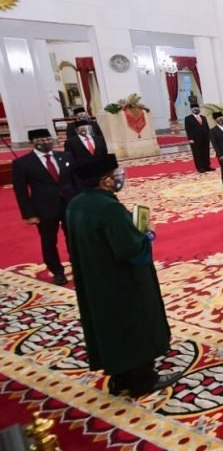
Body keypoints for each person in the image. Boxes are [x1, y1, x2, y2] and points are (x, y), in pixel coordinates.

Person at [65, 154, 182, 397]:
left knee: (111, 327)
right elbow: (130, 250)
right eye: (116, 175)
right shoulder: (110, 208)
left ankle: (120, 379)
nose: (120, 179)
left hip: (95, 278)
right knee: (134, 324)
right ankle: (143, 380)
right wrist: (148, 234)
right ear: (105, 180)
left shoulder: (76, 203)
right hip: (122, 281)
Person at [12, 128, 76, 285]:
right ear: (31, 143)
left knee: (74, 237)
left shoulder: (65, 156)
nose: (45, 142)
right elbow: (21, 191)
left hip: (69, 204)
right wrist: (28, 214)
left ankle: (77, 264)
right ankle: (57, 271)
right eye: (40, 140)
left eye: (48, 139)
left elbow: (76, 180)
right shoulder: (22, 163)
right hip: (44, 208)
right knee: (49, 241)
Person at [184, 104, 214, 173]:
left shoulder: (203, 117)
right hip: (195, 139)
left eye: (197, 108)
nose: (195, 109)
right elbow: (188, 129)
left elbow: (207, 127)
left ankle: (207, 166)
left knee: (206, 152)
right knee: (197, 153)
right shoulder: (188, 118)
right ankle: (200, 167)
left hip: (205, 138)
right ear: (191, 110)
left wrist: (209, 136)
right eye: (194, 108)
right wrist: (190, 138)